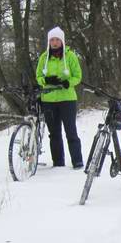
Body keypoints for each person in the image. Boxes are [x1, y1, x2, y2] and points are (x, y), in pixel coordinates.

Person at [35, 26, 83, 169]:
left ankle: (77, 161)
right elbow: (38, 76)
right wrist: (46, 81)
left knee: (71, 131)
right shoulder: (44, 57)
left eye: (57, 40)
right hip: (48, 100)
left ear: (62, 41)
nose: (54, 42)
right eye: (52, 40)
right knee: (54, 133)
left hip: (67, 99)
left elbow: (78, 76)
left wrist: (68, 82)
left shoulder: (70, 56)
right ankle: (58, 163)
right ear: (49, 42)